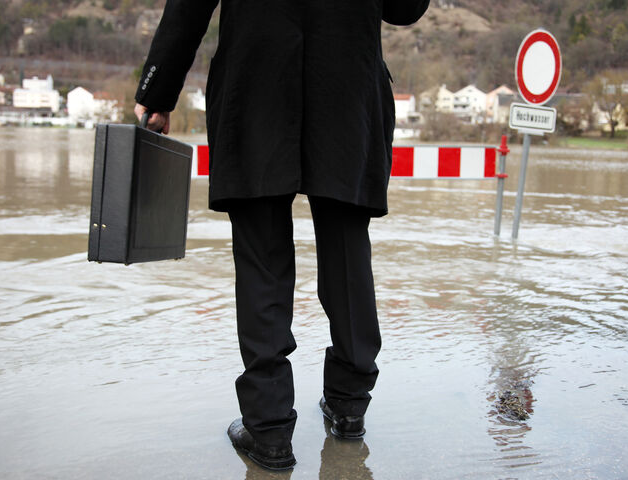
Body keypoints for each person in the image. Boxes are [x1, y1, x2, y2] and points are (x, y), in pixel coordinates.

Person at [134, 0, 429, 471]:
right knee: (347, 247)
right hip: (346, 85)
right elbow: (405, 7)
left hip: (257, 79)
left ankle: (269, 430)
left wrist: (159, 90)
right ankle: (349, 406)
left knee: (261, 255)